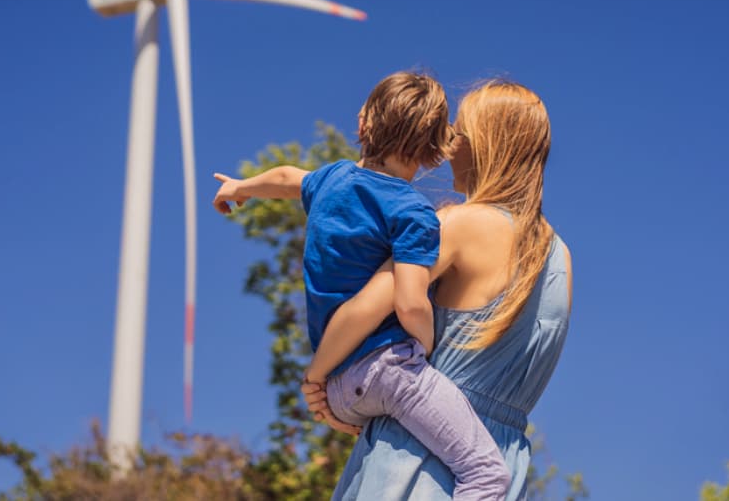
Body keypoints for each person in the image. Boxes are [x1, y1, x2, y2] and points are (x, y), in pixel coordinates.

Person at [212, 71, 511, 499]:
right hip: (388, 371)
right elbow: (409, 303)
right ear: (434, 151)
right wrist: (424, 348)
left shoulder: (330, 180)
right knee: (486, 473)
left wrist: (242, 187)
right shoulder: (413, 212)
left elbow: (285, 177)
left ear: (363, 125)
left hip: (338, 386)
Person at [301, 79, 572, 501]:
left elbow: (363, 310)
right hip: (501, 466)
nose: (445, 148)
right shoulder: (559, 256)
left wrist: (316, 382)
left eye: (455, 132)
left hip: (415, 459)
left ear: (484, 144)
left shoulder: (458, 224)